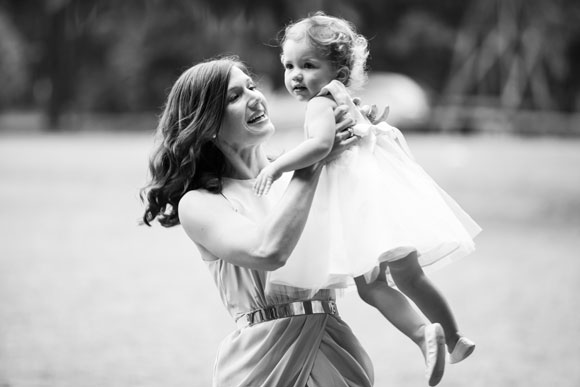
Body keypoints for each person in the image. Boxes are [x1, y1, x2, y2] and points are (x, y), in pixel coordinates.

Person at [254, 12, 482, 386]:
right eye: (289, 65)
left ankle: (424, 334)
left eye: (308, 65)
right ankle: (455, 339)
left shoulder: (318, 105)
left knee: (373, 286)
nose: (296, 75)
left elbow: (319, 146)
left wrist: (277, 168)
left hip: (358, 207)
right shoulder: (346, 97)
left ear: (338, 72)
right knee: (410, 275)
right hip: (385, 198)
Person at [140, 56, 375, 387]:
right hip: (262, 363)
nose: (255, 98)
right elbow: (267, 251)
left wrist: (363, 139)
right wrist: (314, 161)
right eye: (234, 97)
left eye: (251, 86)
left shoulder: (300, 174)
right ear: (206, 124)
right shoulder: (200, 203)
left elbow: (366, 249)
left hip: (335, 351)